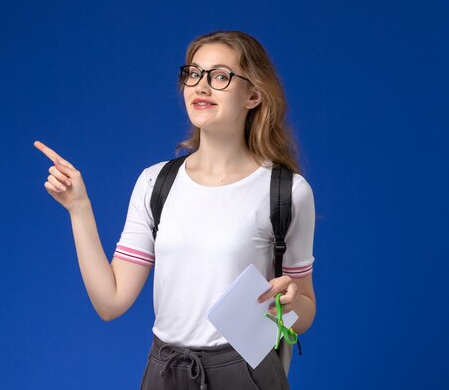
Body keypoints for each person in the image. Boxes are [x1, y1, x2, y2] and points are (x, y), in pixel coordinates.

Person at [34, 30, 316, 390]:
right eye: (193, 74)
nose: (200, 86)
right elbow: (111, 302)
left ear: (253, 95)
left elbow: (303, 307)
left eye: (220, 76)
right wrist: (79, 208)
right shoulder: (156, 184)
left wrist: (290, 305)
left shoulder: (287, 192)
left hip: (246, 372)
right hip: (166, 371)